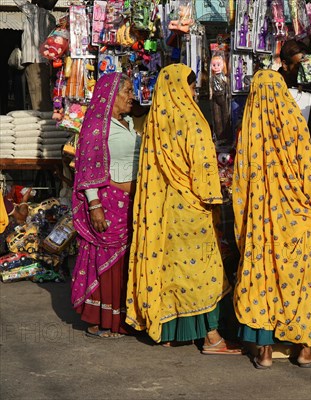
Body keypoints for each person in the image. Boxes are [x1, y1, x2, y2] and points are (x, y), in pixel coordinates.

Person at [125, 64, 241, 354]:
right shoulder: (192, 119)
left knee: (171, 271)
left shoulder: (155, 120)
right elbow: (203, 169)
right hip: (191, 210)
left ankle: (170, 330)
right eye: (190, 86)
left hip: (163, 209)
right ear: (181, 87)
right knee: (202, 272)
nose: (193, 91)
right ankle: (211, 336)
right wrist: (215, 197)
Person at [232, 70, 311, 369]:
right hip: (298, 219)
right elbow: (310, 173)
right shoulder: (293, 126)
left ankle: (264, 352)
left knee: (264, 281)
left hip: (262, 223)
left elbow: (240, 183)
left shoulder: (248, 132)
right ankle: (304, 349)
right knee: (305, 280)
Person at [71, 72, 139, 339]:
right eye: (127, 92)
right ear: (111, 96)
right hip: (108, 202)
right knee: (108, 262)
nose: (131, 97)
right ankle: (101, 319)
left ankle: (123, 316)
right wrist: (94, 204)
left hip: (129, 202)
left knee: (125, 262)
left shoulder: (129, 123)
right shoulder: (97, 127)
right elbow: (88, 169)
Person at [13, 0, 58, 111]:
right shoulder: (51, 18)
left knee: (37, 94)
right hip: (45, 61)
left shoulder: (34, 11)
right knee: (42, 92)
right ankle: (43, 117)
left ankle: (42, 120)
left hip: (35, 60)